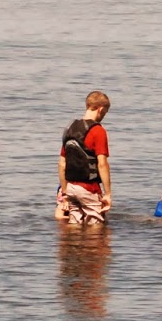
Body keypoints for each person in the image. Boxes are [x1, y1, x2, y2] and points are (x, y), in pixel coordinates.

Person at [54, 91, 111, 226]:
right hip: (89, 188)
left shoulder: (69, 128)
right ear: (101, 109)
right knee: (96, 228)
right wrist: (108, 194)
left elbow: (62, 164)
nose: (104, 116)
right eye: (105, 112)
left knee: (74, 225)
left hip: (71, 188)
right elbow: (102, 164)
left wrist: (65, 191)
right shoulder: (98, 131)